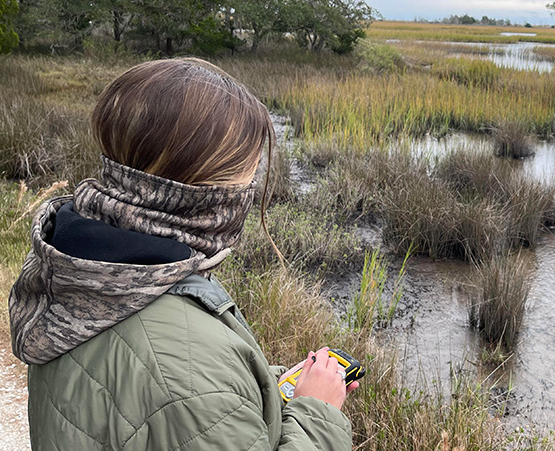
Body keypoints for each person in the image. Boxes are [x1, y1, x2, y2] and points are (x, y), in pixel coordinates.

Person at [7, 58, 358, 450]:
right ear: (204, 193)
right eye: (246, 173)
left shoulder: (75, 265)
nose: (250, 189)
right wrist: (316, 411)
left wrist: (255, 384)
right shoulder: (188, 371)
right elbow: (184, 390)